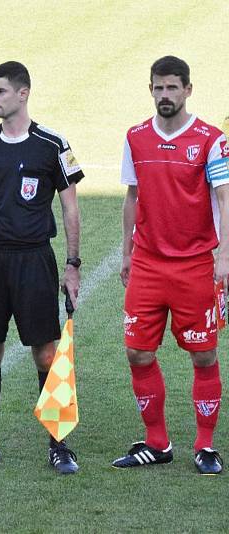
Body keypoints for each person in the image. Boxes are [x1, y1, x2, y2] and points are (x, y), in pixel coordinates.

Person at [0, 61, 83, 474]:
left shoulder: (51, 145)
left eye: (0, 91)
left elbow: (70, 209)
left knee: (46, 352)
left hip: (34, 261)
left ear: (23, 93)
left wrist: (73, 264)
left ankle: (59, 445)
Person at [113, 56, 229, 475]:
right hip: (147, 263)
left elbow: (224, 199)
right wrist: (126, 252)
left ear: (188, 90)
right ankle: (157, 442)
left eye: (172, 88)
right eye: (158, 88)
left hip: (196, 265)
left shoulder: (211, 140)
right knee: (137, 352)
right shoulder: (136, 137)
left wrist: (225, 258)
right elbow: (131, 196)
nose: (165, 95)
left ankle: (205, 446)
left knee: (204, 354)